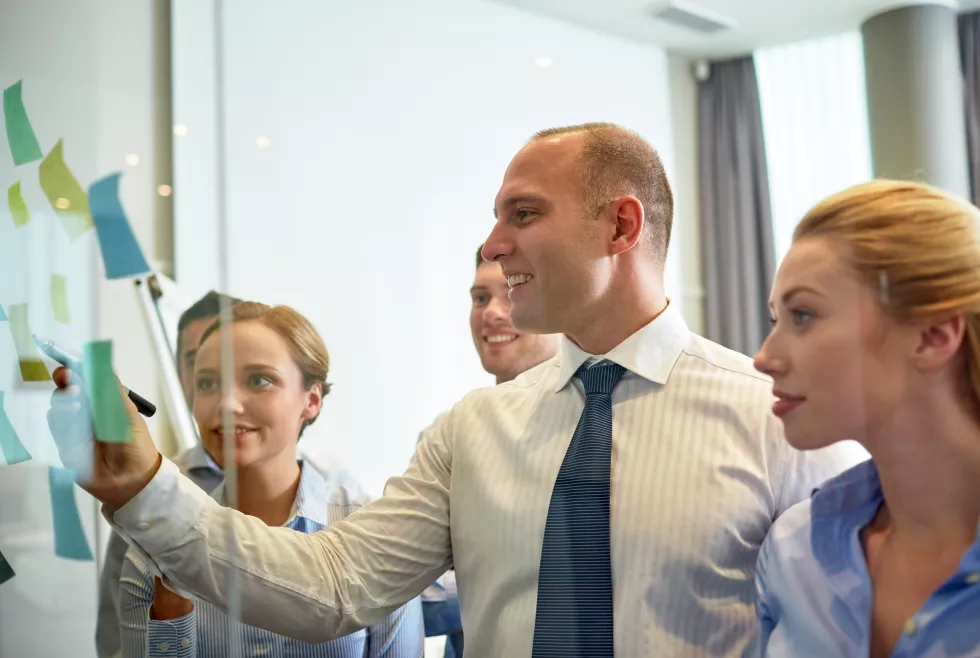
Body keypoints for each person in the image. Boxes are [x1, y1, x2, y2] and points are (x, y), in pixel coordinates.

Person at [49, 122, 865, 657]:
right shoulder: (470, 432)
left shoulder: (781, 422)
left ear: (619, 227)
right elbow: (330, 585)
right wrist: (144, 487)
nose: (492, 241)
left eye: (522, 213)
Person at [117, 301, 424, 657]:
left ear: (311, 400)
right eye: (207, 383)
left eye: (259, 380)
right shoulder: (158, 545)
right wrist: (172, 609)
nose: (227, 404)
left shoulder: (375, 532)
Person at [753, 180, 980, 657]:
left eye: (803, 315)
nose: (763, 357)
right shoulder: (794, 554)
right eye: (777, 318)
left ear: (934, 335)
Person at [421, 246, 562, 657]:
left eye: (512, 291)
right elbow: (405, 578)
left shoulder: (597, 432)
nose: (492, 313)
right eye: (480, 298)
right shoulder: (448, 437)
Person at [96, 290, 239, 658]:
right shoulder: (148, 497)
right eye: (199, 363)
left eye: (233, 359)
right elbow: (117, 643)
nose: (221, 383)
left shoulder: (335, 495)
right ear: (182, 377)